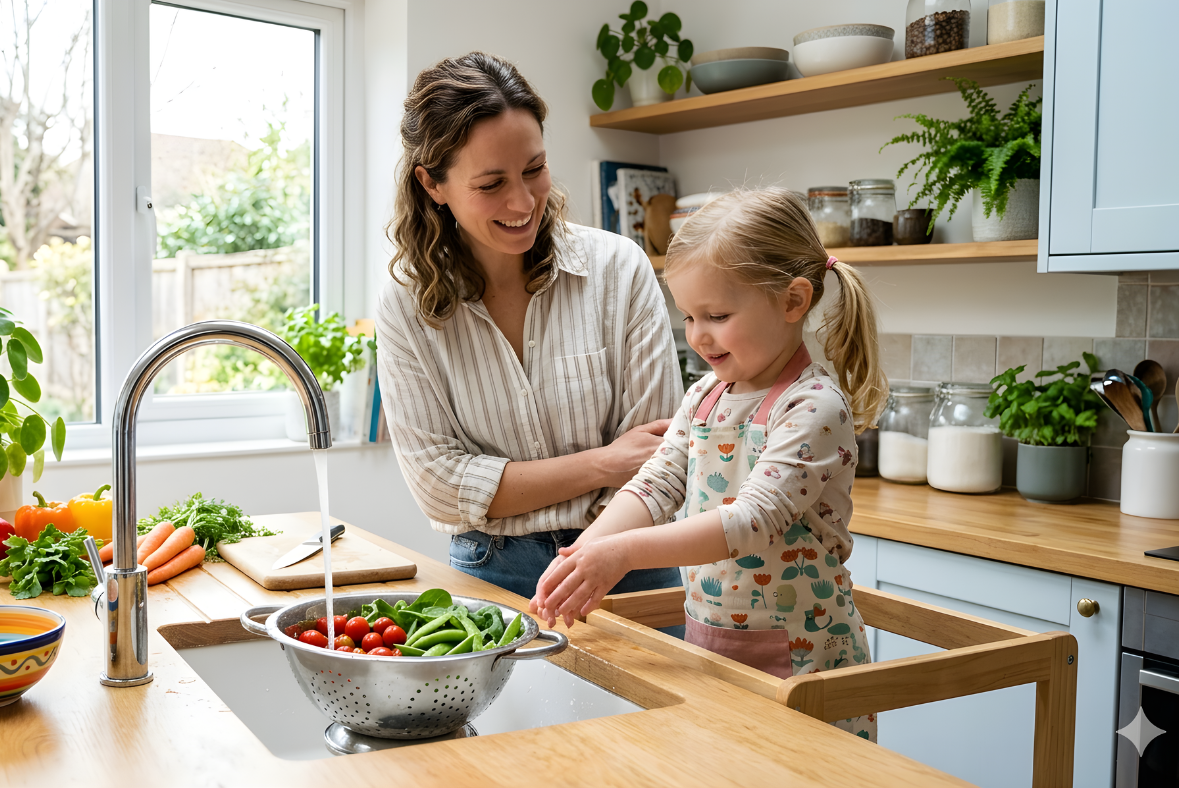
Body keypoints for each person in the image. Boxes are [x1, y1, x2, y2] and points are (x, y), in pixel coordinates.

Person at [532, 186, 888, 741]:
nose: (697, 336)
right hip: (713, 646)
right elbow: (657, 481)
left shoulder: (813, 406)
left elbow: (751, 521)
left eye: (717, 315)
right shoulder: (706, 394)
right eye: (689, 316)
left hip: (805, 660)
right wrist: (585, 553)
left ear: (793, 301)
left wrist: (620, 554)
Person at [375, 52, 682, 600]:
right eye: (491, 184)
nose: (522, 202)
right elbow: (439, 486)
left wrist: (594, 553)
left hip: (631, 558)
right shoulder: (406, 305)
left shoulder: (619, 268)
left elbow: (659, 458)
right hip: (491, 573)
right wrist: (602, 463)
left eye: (534, 169)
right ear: (432, 184)